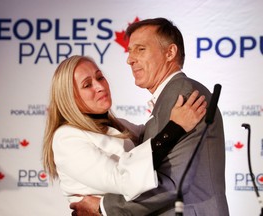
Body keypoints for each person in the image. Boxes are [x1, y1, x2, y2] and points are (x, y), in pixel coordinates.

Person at [70, 18, 229, 216]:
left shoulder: (184, 96)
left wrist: (103, 207)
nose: (130, 59)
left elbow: (172, 182)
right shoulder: (169, 97)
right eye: (130, 51)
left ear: (170, 53)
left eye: (140, 49)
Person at [42, 55, 207, 213]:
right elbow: (123, 180)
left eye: (99, 78)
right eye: (87, 85)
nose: (100, 87)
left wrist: (169, 107)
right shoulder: (66, 137)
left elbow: (151, 135)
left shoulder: (117, 124)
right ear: (69, 98)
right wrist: (176, 127)